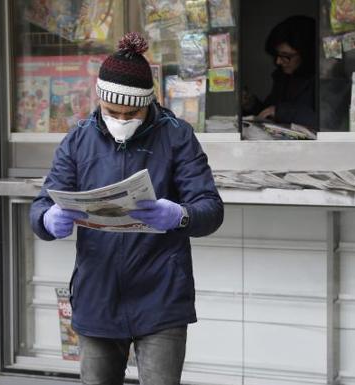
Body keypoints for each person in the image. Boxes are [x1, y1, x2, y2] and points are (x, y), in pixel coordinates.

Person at [30, 32, 224, 385]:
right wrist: (48, 220)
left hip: (161, 297)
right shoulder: (78, 139)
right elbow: (42, 205)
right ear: (99, 101)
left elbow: (211, 208)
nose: (120, 119)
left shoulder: (177, 136)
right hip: (97, 297)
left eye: (131, 112)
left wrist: (179, 215)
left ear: (149, 103)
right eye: (110, 111)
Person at [242, 15, 316, 128]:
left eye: (286, 56)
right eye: (276, 55)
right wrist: (251, 104)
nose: (278, 61)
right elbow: (268, 112)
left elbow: (328, 120)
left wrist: (281, 112)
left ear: (306, 54)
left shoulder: (324, 79)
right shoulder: (283, 77)